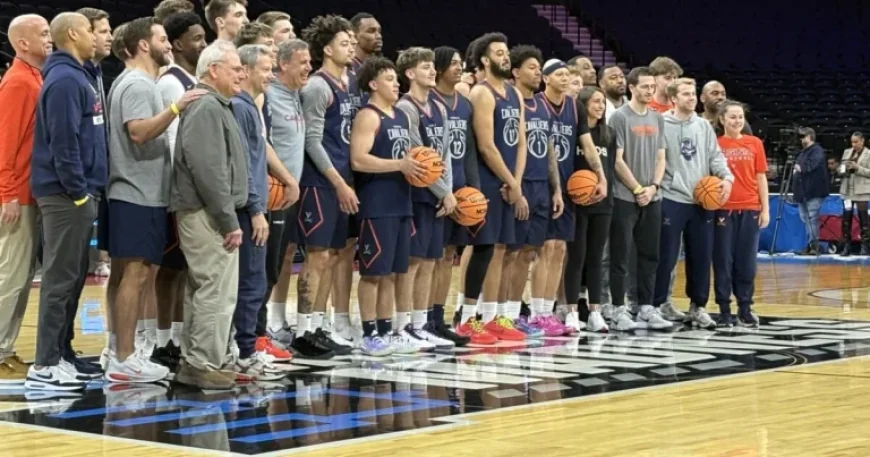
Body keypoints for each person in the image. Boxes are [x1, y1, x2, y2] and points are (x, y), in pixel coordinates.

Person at [104, 16, 204, 383]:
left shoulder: (131, 81)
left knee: (125, 275)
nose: (167, 45)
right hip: (138, 192)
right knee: (136, 274)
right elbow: (138, 132)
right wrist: (177, 108)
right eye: (162, 39)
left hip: (132, 191)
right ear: (144, 44)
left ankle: (117, 351)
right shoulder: (138, 84)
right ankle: (125, 357)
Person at [26, 12, 106, 391]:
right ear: (73, 34)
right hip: (64, 195)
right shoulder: (64, 80)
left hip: (75, 191)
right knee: (59, 279)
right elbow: (63, 142)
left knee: (72, 278)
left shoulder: (77, 76)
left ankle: (61, 355)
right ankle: (44, 365)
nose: (95, 36)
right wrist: (78, 192)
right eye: (90, 30)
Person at [170, 41, 246, 390]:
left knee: (206, 288)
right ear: (213, 70)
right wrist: (228, 219)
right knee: (215, 288)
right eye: (235, 69)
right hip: (206, 212)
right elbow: (208, 169)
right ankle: (203, 363)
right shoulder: (207, 107)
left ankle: (196, 360)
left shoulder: (214, 105)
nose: (241, 74)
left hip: (207, 209)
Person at [351, 56, 427, 355]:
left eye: (396, 79)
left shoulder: (400, 116)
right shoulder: (368, 116)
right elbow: (358, 159)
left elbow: (406, 159)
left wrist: (424, 169)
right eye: (389, 79)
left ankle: (387, 331)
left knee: (394, 273)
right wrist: (399, 165)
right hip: (376, 204)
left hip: (401, 202)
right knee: (373, 274)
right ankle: (368, 334)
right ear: (373, 84)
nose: (396, 84)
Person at [456, 33, 526, 344]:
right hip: (486, 182)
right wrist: (511, 182)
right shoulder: (481, 93)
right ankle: (466, 319)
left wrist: (516, 182)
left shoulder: (514, 93)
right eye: (498, 53)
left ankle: (492, 317)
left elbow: (521, 141)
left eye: (506, 51)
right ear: (485, 60)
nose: (505, 56)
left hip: (509, 182)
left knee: (500, 250)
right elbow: (486, 146)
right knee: (483, 249)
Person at [297, 15, 358, 352]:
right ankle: (302, 330)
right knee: (317, 255)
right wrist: (338, 182)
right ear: (327, 49)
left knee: (334, 256)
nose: (351, 47)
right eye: (344, 43)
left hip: (343, 179)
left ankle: (319, 326)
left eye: (352, 42)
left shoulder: (351, 83)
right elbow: (312, 141)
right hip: (320, 182)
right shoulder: (318, 86)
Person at [654, 77, 733, 330]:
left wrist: (727, 178)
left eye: (692, 93)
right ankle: (658, 304)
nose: (691, 98)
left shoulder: (703, 126)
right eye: (685, 94)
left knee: (701, 257)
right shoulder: (660, 123)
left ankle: (698, 307)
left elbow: (715, 156)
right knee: (665, 256)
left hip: (701, 200)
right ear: (673, 98)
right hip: (671, 197)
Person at [229, 44, 286, 380]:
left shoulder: (251, 106)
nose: (271, 76)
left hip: (254, 206)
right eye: (265, 69)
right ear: (247, 70)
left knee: (255, 281)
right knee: (250, 283)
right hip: (248, 210)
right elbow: (244, 166)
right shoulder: (240, 107)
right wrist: (255, 209)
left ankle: (245, 350)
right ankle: (244, 352)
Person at [394, 47, 457, 349]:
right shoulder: (405, 108)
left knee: (432, 260)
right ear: (409, 73)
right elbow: (418, 155)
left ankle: (421, 325)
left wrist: (449, 193)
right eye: (425, 67)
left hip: (438, 195)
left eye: (433, 66)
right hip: (416, 193)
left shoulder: (440, 108)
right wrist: (444, 192)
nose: (432, 71)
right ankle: (402, 325)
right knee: (413, 262)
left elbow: (446, 155)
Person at [0, 14, 51, 383]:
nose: (50, 39)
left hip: (29, 193)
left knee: (20, 278)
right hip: (17, 195)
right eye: (43, 33)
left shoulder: (35, 77)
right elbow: (5, 143)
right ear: (22, 43)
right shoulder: (18, 81)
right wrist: (7, 194)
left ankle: (6, 349)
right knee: (11, 277)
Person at [502, 46, 558, 339]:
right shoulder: (509, 101)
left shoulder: (542, 105)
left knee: (528, 254)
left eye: (539, 67)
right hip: (517, 185)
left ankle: (515, 314)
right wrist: (515, 186)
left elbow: (548, 149)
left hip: (540, 186)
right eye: (532, 67)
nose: (538, 72)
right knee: (508, 254)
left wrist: (556, 188)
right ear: (515, 72)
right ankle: (498, 315)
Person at [607, 66, 665, 332]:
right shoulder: (619, 117)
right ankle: (619, 309)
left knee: (650, 256)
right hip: (624, 196)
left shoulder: (657, 118)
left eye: (652, 87)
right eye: (645, 87)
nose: (650, 91)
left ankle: (646, 308)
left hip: (652, 196)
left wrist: (653, 187)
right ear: (631, 88)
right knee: (620, 257)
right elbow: (617, 160)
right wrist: (638, 188)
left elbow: (662, 157)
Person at [260, 39, 308, 355]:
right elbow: (264, 144)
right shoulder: (269, 96)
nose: (308, 68)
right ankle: (254, 334)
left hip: (289, 195)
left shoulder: (296, 95)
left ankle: (263, 330)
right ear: (283, 64)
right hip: (272, 193)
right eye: (302, 62)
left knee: (276, 266)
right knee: (265, 268)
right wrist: (286, 180)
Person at [428, 46, 475, 345]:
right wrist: (441, 189)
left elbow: (468, 151)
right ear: (440, 67)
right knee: (427, 259)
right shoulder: (427, 100)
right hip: (432, 189)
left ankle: (438, 318)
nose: (460, 68)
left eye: (461, 63)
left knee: (447, 257)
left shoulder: (465, 105)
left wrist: (471, 187)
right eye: (454, 63)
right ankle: (419, 320)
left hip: (458, 189)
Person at [564, 86, 615, 332]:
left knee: (595, 258)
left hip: (603, 202)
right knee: (577, 257)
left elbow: (611, 167)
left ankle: (595, 312)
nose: (600, 106)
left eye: (602, 102)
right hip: (577, 203)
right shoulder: (574, 133)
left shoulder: (609, 134)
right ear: (583, 105)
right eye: (595, 101)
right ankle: (571, 312)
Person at [714, 100, 768, 327]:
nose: (737, 121)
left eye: (740, 117)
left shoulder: (754, 143)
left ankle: (745, 308)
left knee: (746, 262)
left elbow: (761, 177)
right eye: (732, 117)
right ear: (722, 119)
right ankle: (724, 309)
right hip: (723, 208)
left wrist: (765, 208)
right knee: (723, 261)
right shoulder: (715, 144)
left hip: (750, 208)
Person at [793, 127, 829, 256]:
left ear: (810, 136)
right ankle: (810, 245)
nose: (801, 139)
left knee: (811, 218)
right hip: (803, 191)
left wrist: (800, 167)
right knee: (805, 218)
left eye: (803, 136)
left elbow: (810, 165)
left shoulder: (817, 150)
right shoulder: (802, 152)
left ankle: (814, 245)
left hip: (814, 190)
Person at [838, 132, 870, 256]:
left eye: (856, 142)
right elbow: (840, 170)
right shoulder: (847, 152)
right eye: (852, 142)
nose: (854, 144)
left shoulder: (868, 154)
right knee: (846, 219)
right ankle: (847, 246)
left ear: (862, 141)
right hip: (847, 191)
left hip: (862, 191)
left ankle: (865, 246)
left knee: (864, 220)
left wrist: (857, 168)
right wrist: (843, 169)